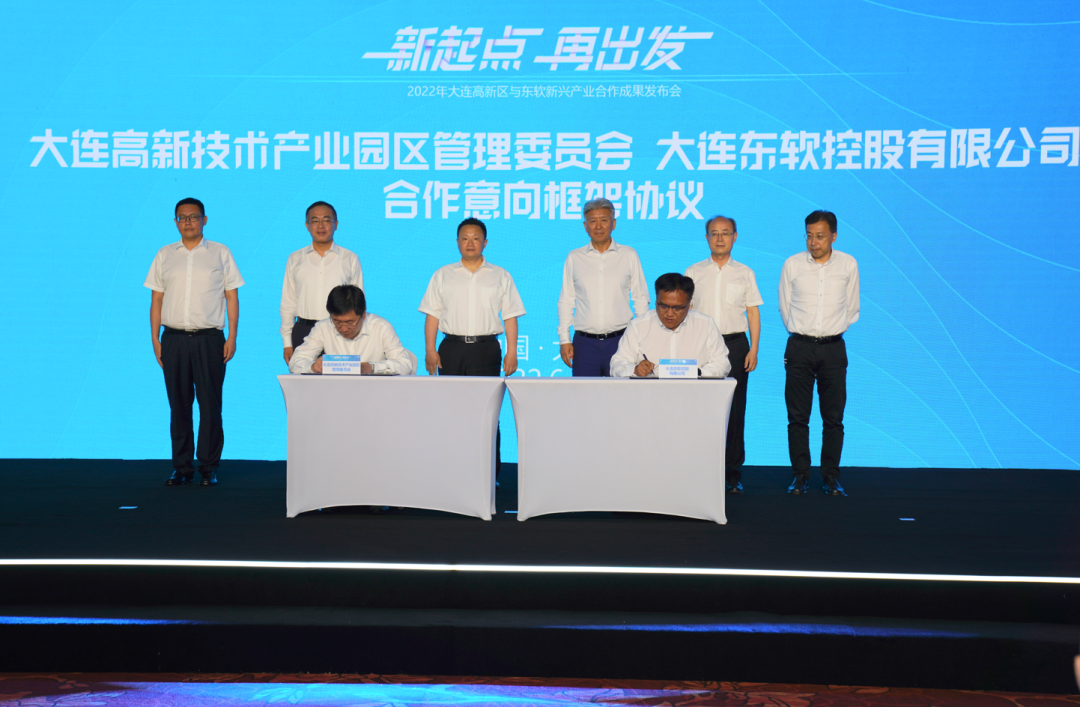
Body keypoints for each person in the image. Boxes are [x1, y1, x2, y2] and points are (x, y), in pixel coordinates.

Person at [145, 197, 244, 487]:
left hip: (209, 339)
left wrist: (232, 336)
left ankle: (209, 467)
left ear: (204, 220)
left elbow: (232, 296)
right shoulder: (165, 254)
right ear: (176, 222)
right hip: (173, 338)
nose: (188, 222)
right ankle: (182, 467)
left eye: (193, 216)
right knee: (179, 405)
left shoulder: (220, 252)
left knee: (210, 405)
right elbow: (156, 299)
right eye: (182, 217)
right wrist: (155, 338)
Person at [419, 217, 525, 475]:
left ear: (485, 242)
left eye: (476, 238)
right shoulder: (442, 275)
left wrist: (512, 352)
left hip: (486, 349)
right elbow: (432, 315)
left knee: (487, 414)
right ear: (457, 242)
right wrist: (430, 350)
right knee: (450, 412)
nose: (470, 243)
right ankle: (452, 470)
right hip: (451, 348)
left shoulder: (500, 275)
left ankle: (490, 474)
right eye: (465, 238)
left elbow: (510, 316)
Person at [779, 210, 860, 497]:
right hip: (799, 346)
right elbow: (785, 307)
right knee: (797, 417)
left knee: (833, 417)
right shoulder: (792, 264)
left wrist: (831, 331)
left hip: (833, 348)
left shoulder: (848, 264)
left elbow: (852, 308)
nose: (814, 242)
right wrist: (802, 333)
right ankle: (800, 476)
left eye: (820, 236)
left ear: (834, 236)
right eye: (809, 236)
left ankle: (831, 477)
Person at [684, 215, 763, 494]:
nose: (720, 238)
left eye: (725, 233)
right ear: (706, 238)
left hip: (736, 346)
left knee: (735, 410)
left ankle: (732, 473)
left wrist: (754, 348)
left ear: (735, 236)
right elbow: (684, 312)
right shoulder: (693, 271)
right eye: (714, 233)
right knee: (700, 410)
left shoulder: (745, 272)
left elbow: (752, 312)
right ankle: (701, 469)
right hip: (702, 346)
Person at [557, 198, 650, 376]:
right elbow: (566, 301)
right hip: (584, 344)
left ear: (613, 223)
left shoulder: (629, 255)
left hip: (621, 340)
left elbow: (640, 299)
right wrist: (564, 339)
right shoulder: (574, 257)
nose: (598, 226)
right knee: (584, 393)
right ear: (585, 226)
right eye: (593, 221)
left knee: (621, 392)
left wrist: (642, 339)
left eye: (604, 220)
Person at [280, 201, 363, 365]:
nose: (321, 226)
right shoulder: (295, 259)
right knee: (303, 379)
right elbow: (288, 303)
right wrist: (287, 343)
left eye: (326, 220)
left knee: (340, 379)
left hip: (339, 330)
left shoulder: (350, 258)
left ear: (336, 224)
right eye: (315, 221)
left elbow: (358, 303)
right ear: (307, 225)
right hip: (303, 331)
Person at [610, 273, 731, 379]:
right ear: (656, 300)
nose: (669, 313)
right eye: (663, 306)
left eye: (677, 308)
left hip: (694, 393)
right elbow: (617, 365)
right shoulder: (638, 326)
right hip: (651, 394)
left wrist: (698, 373)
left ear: (689, 303)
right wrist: (635, 370)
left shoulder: (706, 325)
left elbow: (722, 363)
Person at [288, 285, 413, 376]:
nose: (344, 329)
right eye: (337, 322)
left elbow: (405, 365)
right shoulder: (323, 327)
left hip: (375, 393)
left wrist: (371, 367)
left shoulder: (381, 327)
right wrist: (313, 367)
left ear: (363, 314)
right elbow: (295, 362)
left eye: (350, 322)